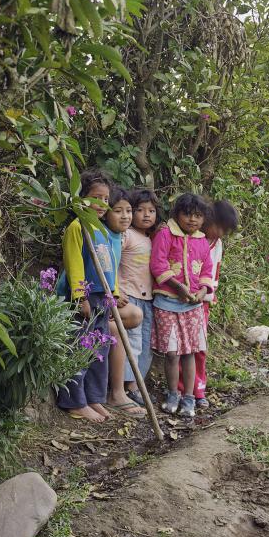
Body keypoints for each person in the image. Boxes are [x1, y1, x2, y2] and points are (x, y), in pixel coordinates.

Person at [57, 170, 119, 423]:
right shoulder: (77, 227)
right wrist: (80, 297)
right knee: (79, 350)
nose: (101, 204)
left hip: (101, 298)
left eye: (105, 199)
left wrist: (112, 295)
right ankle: (75, 402)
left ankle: (93, 397)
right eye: (95, 198)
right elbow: (74, 264)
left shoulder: (102, 230)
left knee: (98, 351)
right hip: (83, 300)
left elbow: (108, 265)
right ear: (80, 199)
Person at [149, 193, 214, 418]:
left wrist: (203, 291)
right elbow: (157, 265)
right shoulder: (166, 234)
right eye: (187, 214)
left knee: (189, 353)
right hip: (167, 303)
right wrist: (178, 287)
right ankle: (172, 394)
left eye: (197, 216)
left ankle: (188, 397)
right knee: (172, 353)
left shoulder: (202, 240)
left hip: (193, 306)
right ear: (177, 214)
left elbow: (207, 270)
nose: (192, 220)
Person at [178, 199, 238, 408]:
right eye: (219, 227)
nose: (220, 233)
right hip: (179, 299)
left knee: (199, 348)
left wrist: (207, 296)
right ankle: (180, 388)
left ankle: (198, 388)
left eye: (225, 230)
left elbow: (214, 273)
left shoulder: (216, 244)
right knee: (180, 347)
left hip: (201, 302)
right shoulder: (187, 238)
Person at [100, 186, 145, 417]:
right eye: (118, 211)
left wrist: (115, 291)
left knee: (135, 315)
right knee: (116, 329)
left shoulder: (118, 237)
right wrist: (112, 294)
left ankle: (117, 390)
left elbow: (112, 272)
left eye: (129, 210)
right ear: (106, 213)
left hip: (104, 299)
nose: (125, 216)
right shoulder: (102, 236)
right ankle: (116, 393)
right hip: (87, 301)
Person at [119, 188, 160, 406]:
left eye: (151, 211)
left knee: (146, 345)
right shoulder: (127, 234)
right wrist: (117, 289)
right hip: (130, 297)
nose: (146, 215)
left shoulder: (153, 238)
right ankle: (129, 387)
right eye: (140, 210)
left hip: (148, 300)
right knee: (132, 343)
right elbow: (113, 261)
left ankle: (139, 384)